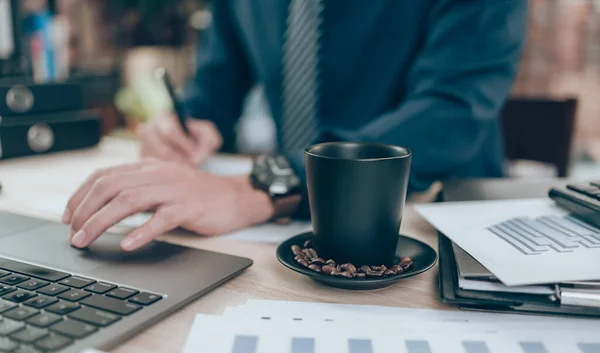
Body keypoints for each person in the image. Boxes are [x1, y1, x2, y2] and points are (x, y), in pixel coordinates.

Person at [63, 0, 527, 251]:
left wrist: (261, 187)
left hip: (443, 224)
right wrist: (183, 127)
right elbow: (218, 81)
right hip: (285, 229)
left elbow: (450, 112)